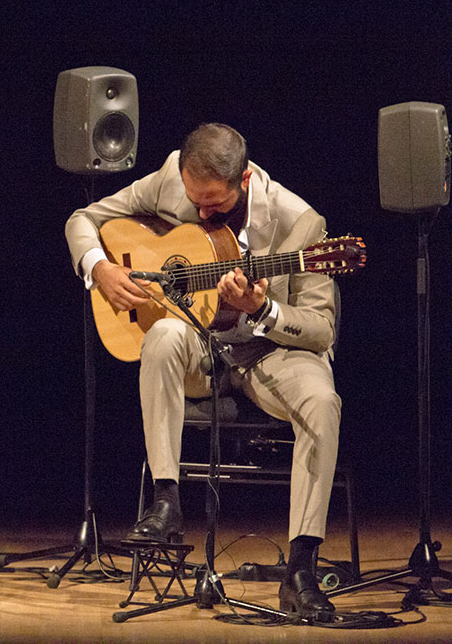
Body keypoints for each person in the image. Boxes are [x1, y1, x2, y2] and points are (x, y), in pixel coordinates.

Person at [65, 123, 340, 621]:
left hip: (273, 354)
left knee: (323, 402)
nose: (202, 212)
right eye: (195, 202)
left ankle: (301, 568)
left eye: (214, 203)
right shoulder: (171, 177)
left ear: (245, 178)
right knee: (162, 334)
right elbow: (82, 219)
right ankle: (166, 503)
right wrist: (100, 268)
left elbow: (321, 331)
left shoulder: (301, 223)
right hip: (203, 350)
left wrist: (262, 310)